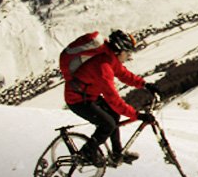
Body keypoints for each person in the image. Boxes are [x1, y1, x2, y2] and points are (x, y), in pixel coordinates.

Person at [63, 30, 157, 166]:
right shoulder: (103, 68)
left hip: (89, 96)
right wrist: (137, 115)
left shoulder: (109, 57)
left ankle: (116, 153)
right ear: (119, 51)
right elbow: (114, 100)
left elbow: (123, 74)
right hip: (77, 100)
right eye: (128, 52)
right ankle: (87, 153)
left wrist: (144, 84)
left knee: (114, 115)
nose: (129, 56)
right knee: (107, 124)